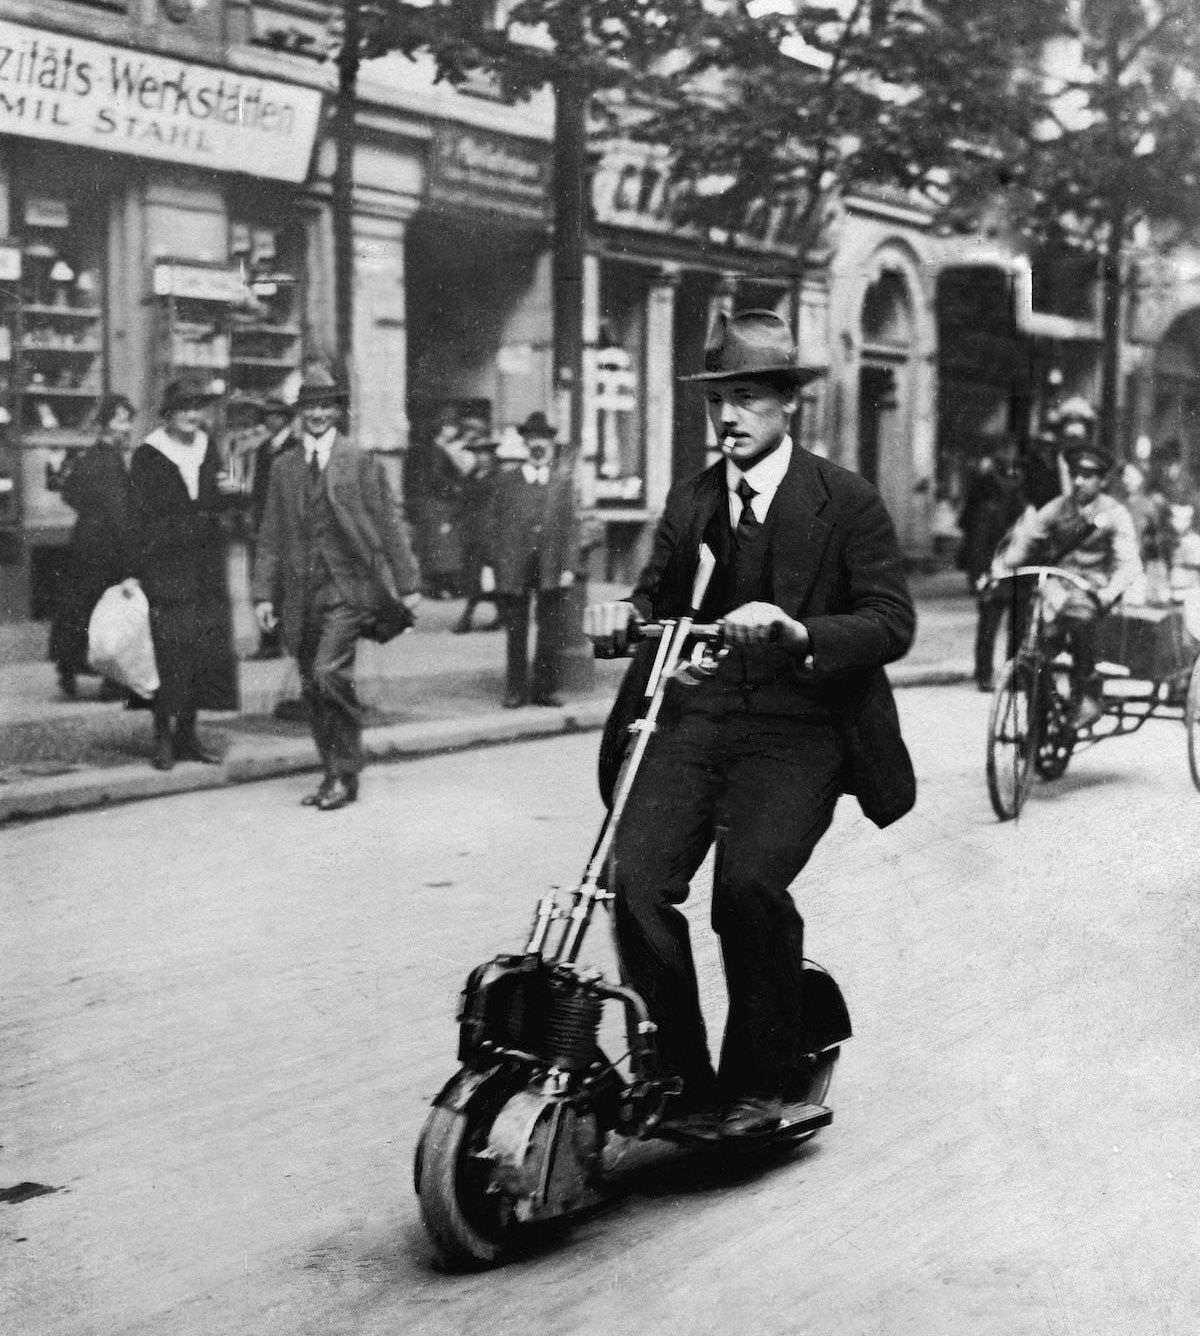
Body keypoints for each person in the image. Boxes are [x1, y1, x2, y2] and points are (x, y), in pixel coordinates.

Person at [584, 309, 916, 1139]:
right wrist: (621, 611)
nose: (729, 417)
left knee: (748, 886)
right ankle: (680, 1077)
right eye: (718, 401)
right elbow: (655, 595)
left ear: (786, 406)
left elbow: (890, 621)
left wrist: (800, 630)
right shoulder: (694, 500)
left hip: (802, 727)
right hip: (697, 717)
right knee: (636, 882)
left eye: (748, 399)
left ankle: (761, 1081)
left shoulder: (844, 500)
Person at [251, 367, 422, 811]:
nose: (318, 414)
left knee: (329, 673)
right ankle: (331, 772)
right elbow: (270, 535)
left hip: (347, 589)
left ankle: (347, 771)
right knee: (312, 684)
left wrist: (407, 584)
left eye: (326, 406)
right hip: (300, 593)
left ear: (338, 412)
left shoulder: (358, 460)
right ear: (299, 413)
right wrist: (264, 595)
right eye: (310, 406)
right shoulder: (284, 467)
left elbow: (387, 521)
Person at [125, 379, 240, 771]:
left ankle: (188, 734)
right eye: (184, 408)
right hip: (166, 562)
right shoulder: (148, 454)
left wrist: (230, 492)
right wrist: (133, 572)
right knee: (167, 648)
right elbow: (136, 517)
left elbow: (219, 499)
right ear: (169, 412)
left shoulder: (208, 447)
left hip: (206, 562)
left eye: (198, 409)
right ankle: (162, 735)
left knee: (203, 648)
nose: (192, 416)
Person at [1003, 440, 1142, 729]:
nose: (1079, 481)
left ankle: (1087, 695)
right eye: (1076, 473)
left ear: (1102, 481)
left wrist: (1109, 592)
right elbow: (1027, 541)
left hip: (1093, 589)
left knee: (1080, 619)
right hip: (1057, 589)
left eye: (1088, 476)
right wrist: (1005, 565)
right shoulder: (1057, 508)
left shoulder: (1114, 513)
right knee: (1034, 643)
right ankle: (1039, 708)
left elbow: (1129, 564)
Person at [486, 411, 580, 709]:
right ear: (526, 443)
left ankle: (545, 690)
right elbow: (492, 525)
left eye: (544, 440)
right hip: (515, 566)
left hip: (550, 565)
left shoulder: (561, 483)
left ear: (551, 444)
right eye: (533, 439)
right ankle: (515, 690)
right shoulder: (507, 481)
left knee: (550, 630)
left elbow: (570, 527)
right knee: (516, 630)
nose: (539, 444)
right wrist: (494, 566)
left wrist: (568, 567)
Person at [48, 393, 135, 700]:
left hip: (85, 539)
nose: (126, 426)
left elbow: (69, 493)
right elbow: (119, 510)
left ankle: (67, 666)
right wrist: (130, 546)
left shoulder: (88, 458)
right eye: (121, 419)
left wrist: (90, 514)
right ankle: (111, 679)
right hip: (107, 546)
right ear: (106, 424)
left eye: (128, 419)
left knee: (80, 606)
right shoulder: (111, 460)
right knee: (110, 611)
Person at [956, 446, 1032, 691]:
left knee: (997, 628)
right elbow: (979, 549)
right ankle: (1002, 675)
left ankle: (991, 675)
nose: (1011, 482)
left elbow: (978, 547)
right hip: (1004, 576)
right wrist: (981, 576)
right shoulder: (999, 510)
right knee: (1007, 629)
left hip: (1007, 576)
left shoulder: (1008, 511)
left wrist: (979, 576)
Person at [247, 397, 300, 660]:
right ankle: (269, 641)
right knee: (264, 584)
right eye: (267, 415)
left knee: (285, 585)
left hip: (289, 526)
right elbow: (259, 492)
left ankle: (285, 640)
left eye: (276, 415)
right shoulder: (264, 449)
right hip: (265, 526)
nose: (270, 420)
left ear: (286, 419)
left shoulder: (296, 448)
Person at [453, 433, 502, 634]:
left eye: (484, 453)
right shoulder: (471, 475)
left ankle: (467, 617)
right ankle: (501, 615)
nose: (480, 457)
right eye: (477, 453)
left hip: (490, 533)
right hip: (471, 532)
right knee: (473, 575)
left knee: (487, 576)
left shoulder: (498, 478)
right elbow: (462, 502)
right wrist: (453, 521)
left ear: (491, 455)